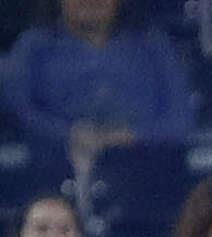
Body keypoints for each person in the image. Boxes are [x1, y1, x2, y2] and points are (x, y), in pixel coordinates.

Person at [4, 0, 193, 170]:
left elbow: (179, 118)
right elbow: (20, 112)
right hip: (52, 168)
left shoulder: (153, 44)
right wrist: (70, 135)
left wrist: (128, 137)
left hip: (147, 167)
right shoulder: (33, 46)